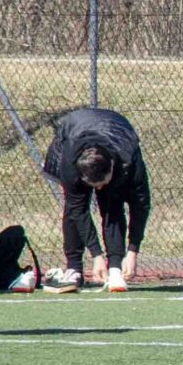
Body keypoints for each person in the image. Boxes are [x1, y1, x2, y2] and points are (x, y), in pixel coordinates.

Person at [41, 106, 149, 292]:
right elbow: (78, 211)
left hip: (117, 130)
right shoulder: (70, 164)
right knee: (74, 205)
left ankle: (115, 269)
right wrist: (96, 255)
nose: (98, 189)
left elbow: (141, 205)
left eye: (101, 182)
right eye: (93, 184)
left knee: (112, 203)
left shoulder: (129, 159)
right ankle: (74, 269)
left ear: (112, 167)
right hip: (73, 128)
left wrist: (132, 251)